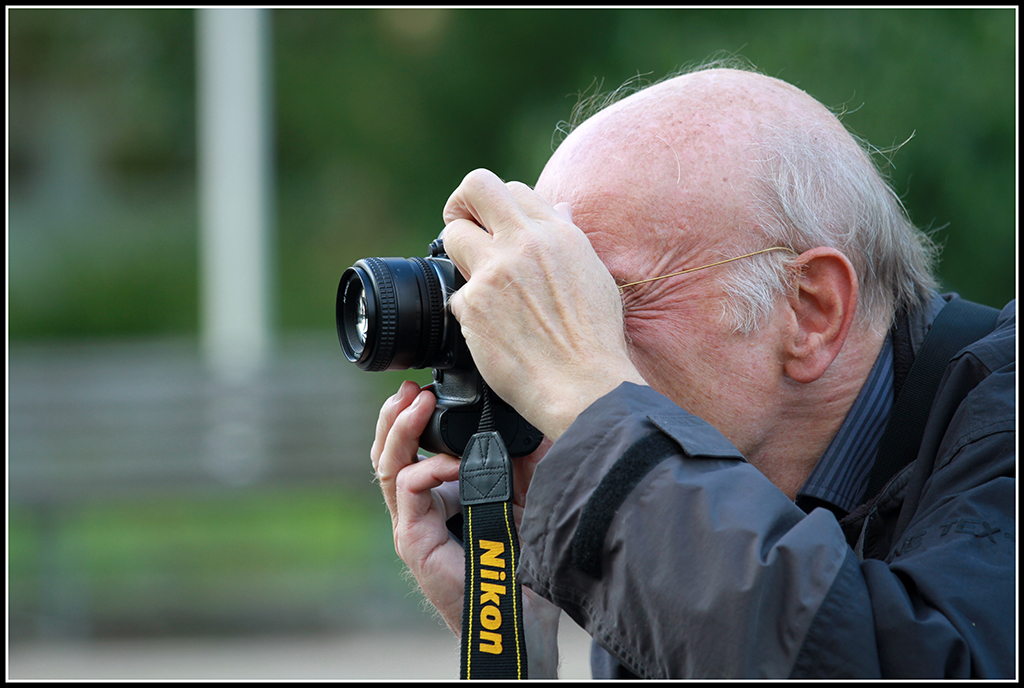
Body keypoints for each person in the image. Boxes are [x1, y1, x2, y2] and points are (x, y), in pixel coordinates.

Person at [369, 62, 1016, 678]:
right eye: (555, 296)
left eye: (604, 296)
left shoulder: (1002, 423)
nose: (553, 345)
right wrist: (524, 648)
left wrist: (600, 421)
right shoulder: (690, 517)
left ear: (811, 311)